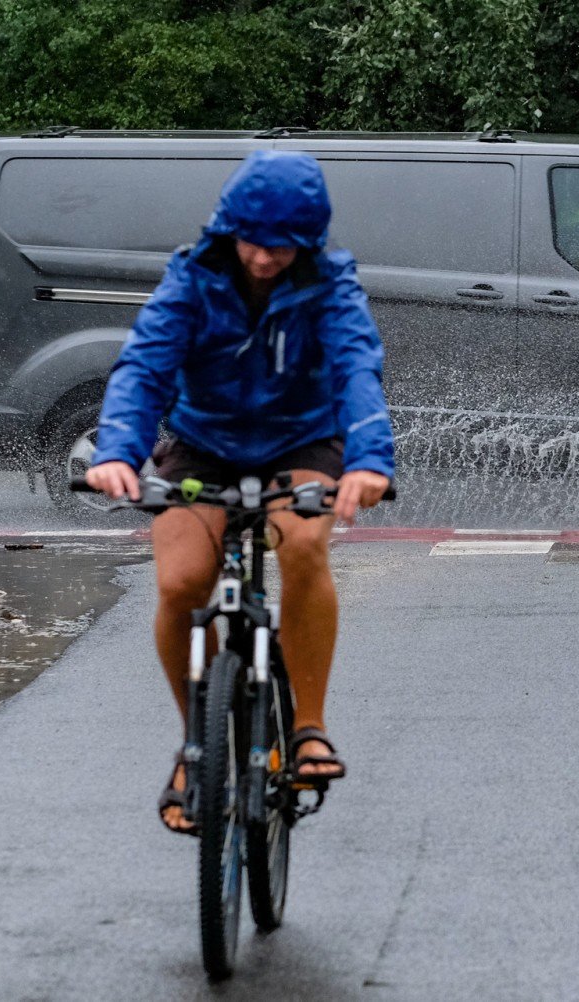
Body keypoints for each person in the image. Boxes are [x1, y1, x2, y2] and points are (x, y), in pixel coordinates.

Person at [84, 151, 393, 835]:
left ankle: (307, 728)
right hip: (205, 445)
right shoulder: (192, 277)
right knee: (181, 582)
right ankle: (198, 746)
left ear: (307, 241)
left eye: (281, 246)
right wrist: (117, 452)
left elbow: (356, 371)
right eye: (252, 240)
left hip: (302, 442)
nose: (262, 257)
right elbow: (144, 367)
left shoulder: (330, 284)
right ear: (228, 230)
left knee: (305, 543)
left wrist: (369, 461)